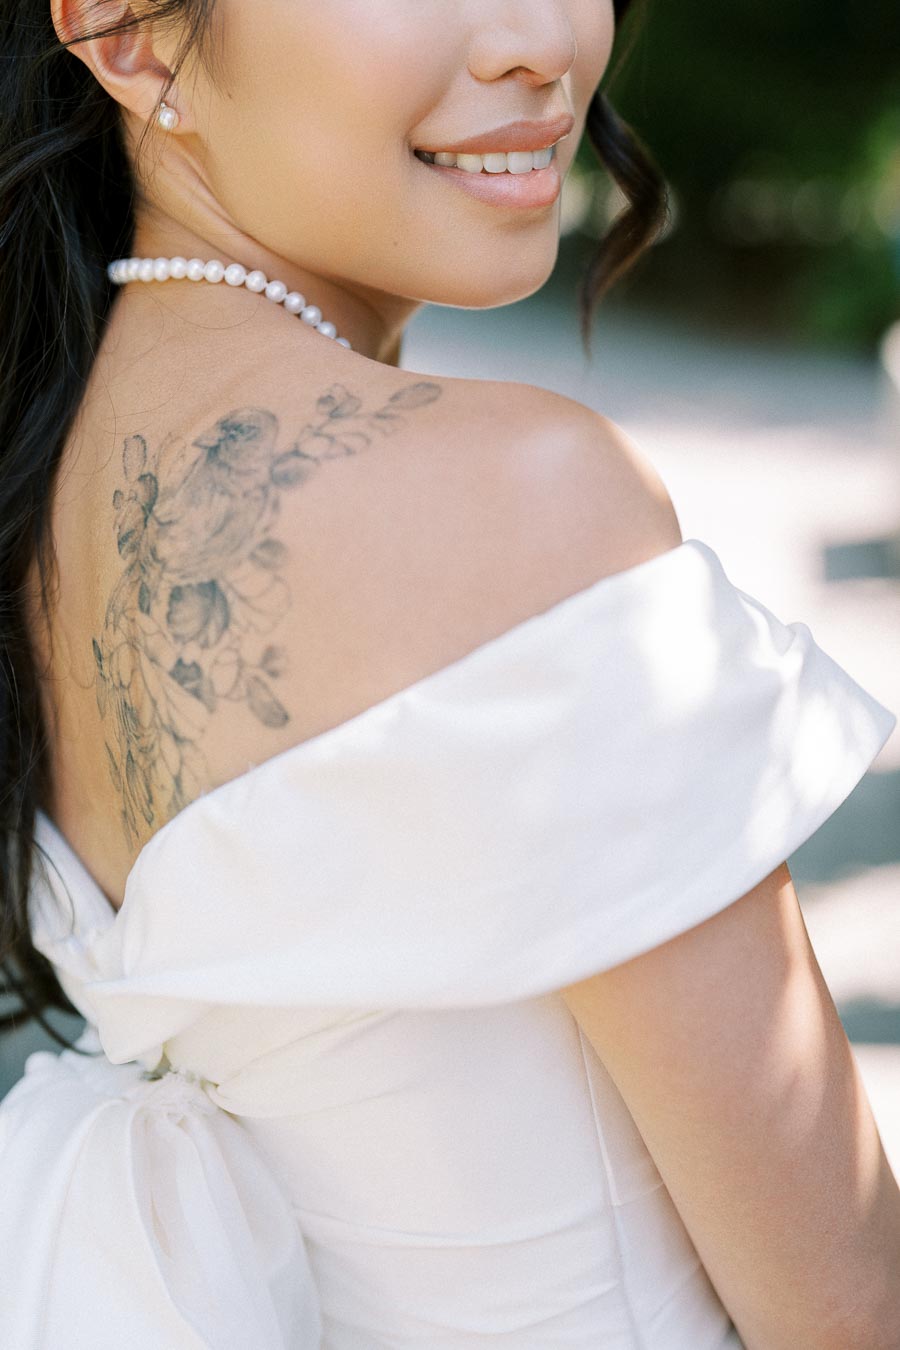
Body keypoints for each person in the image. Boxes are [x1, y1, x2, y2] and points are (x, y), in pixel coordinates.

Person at [0, 0, 898, 1345]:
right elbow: (850, 1311)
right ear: (128, 35)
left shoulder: (44, 486)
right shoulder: (526, 503)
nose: (540, 40)